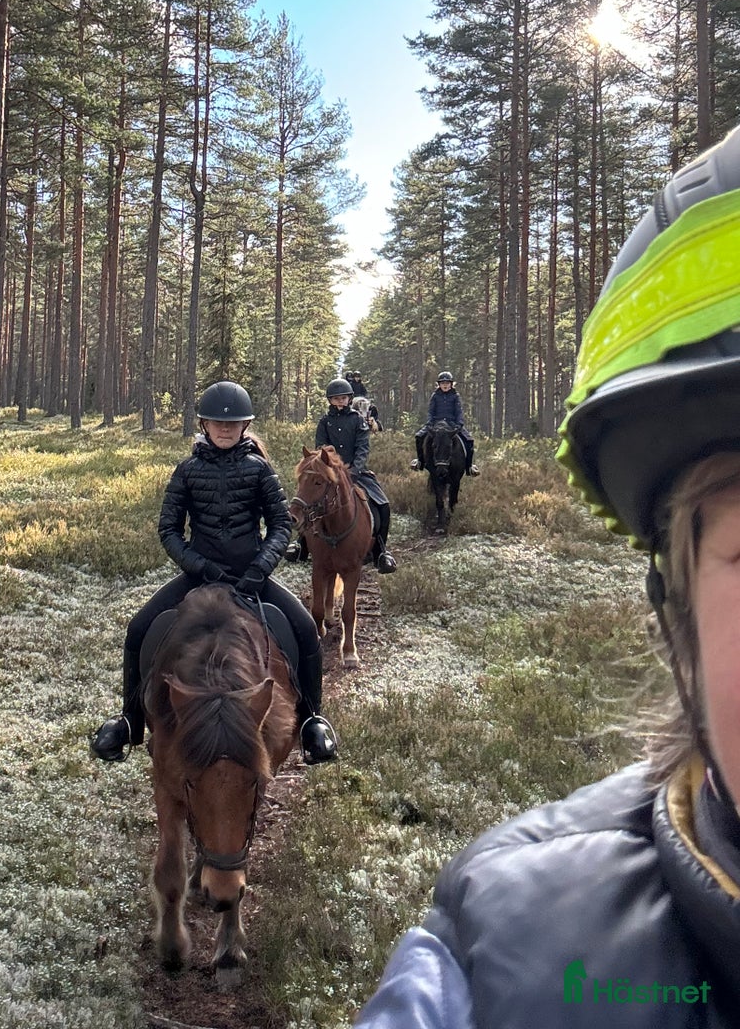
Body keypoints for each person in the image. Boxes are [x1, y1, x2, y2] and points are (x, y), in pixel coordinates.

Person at [355, 125, 740, 1026]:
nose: (442, 391)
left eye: (444, 386)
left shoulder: (454, 401)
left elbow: (444, 424)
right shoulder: (495, 960)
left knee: (441, 454)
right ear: (678, 607)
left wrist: (447, 431)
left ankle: (399, 534)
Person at [91, 381, 339, 766]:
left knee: (306, 629)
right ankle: (128, 721)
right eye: (218, 422)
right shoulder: (187, 471)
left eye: (233, 423)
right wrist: (198, 566)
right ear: (204, 425)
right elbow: (169, 530)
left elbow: (279, 525)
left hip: (250, 577)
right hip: (199, 576)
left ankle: (311, 721)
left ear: (245, 426)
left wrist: (259, 569)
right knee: (138, 629)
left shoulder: (260, 470)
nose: (225, 428)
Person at [292, 377, 394, 572]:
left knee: (383, 505)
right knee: (310, 502)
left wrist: (354, 471)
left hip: (356, 472)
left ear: (349, 399)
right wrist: (328, 469)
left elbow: (362, 448)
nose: (340, 401)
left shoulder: (358, 420)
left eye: (343, 398)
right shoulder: (325, 421)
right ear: (330, 400)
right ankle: (300, 545)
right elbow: (320, 447)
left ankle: (381, 551)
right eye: (336, 398)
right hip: (329, 473)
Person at [412, 371, 479, 475]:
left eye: (447, 383)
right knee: (419, 437)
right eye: (442, 383)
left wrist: (459, 424)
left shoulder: (455, 396)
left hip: (452, 423)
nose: (445, 385)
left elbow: (458, 411)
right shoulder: (435, 396)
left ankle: (469, 467)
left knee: (469, 440)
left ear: (451, 384)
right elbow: (431, 411)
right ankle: (420, 462)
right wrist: (429, 423)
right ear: (439, 384)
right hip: (436, 423)